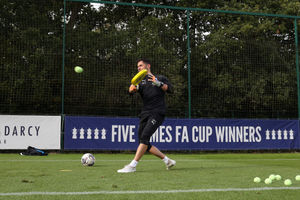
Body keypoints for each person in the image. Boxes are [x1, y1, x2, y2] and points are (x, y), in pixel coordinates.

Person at [117, 58, 176, 173]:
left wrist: (158, 83)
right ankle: (167, 161)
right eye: (137, 67)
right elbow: (131, 92)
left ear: (148, 66)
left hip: (157, 112)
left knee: (144, 138)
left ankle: (132, 166)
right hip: (145, 113)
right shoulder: (140, 81)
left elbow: (171, 90)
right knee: (144, 142)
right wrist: (131, 90)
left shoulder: (160, 78)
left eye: (140, 65)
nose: (138, 68)